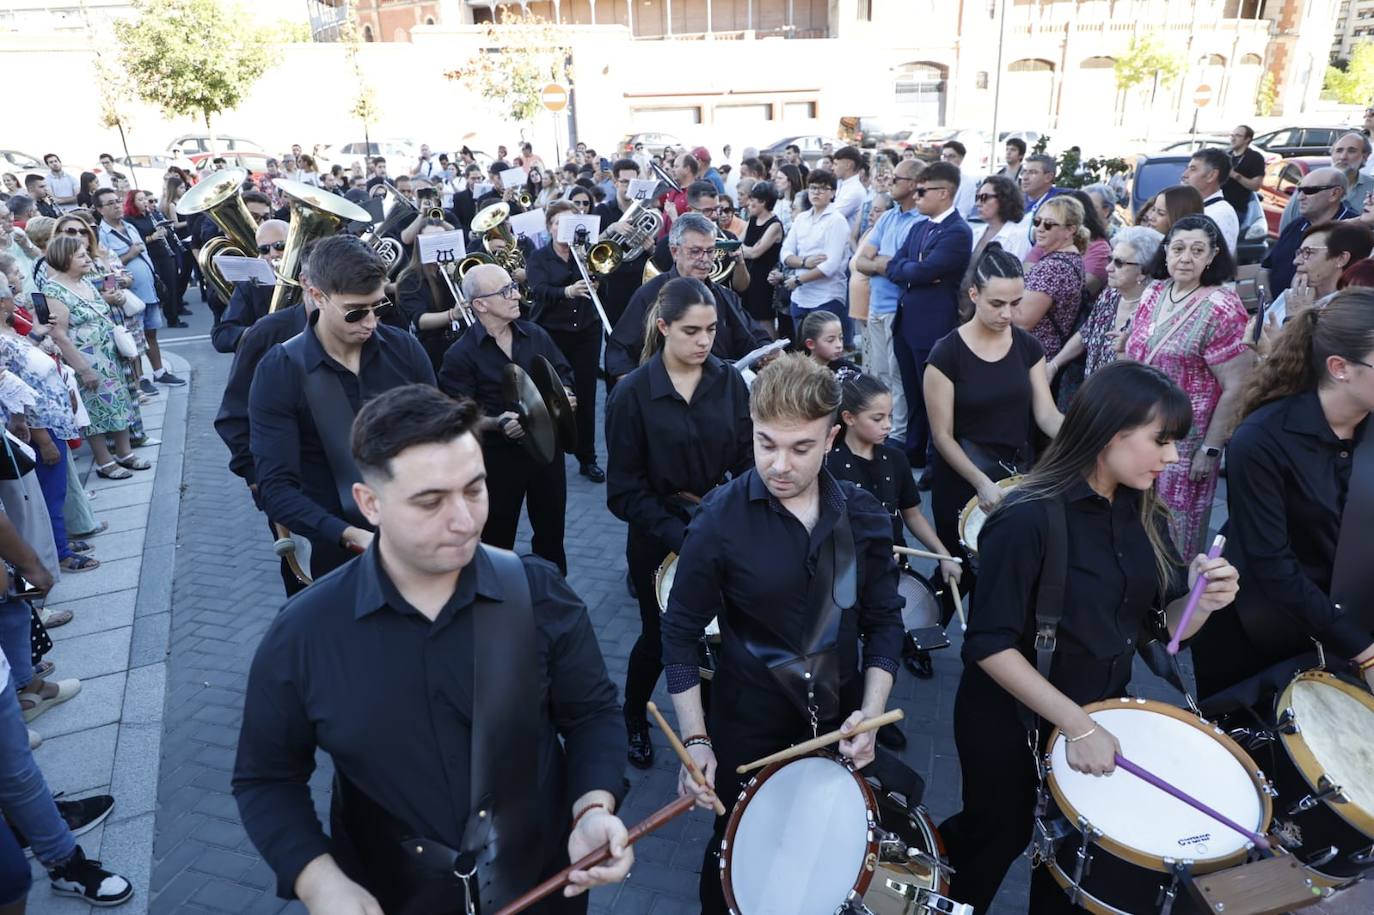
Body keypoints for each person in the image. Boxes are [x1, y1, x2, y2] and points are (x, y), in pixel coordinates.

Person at [234, 383, 632, 915]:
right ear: (369, 503)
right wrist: (318, 879)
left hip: (542, 886)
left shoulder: (539, 594)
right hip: (390, 895)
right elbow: (267, 778)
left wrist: (592, 807)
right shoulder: (303, 634)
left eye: (474, 489)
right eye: (431, 501)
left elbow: (591, 715)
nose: (465, 521)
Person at [939, 360, 1240, 913]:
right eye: (1162, 441)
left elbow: (1163, 629)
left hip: (1096, 714)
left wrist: (1202, 600)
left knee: (1071, 861)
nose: (1173, 457)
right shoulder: (1026, 517)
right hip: (1012, 723)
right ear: (1110, 432)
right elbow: (988, 645)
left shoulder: (1145, 512)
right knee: (994, 842)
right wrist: (1077, 725)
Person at [663, 353, 904, 915]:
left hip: (838, 720)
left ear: (832, 438)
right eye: (766, 443)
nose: (780, 464)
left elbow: (884, 622)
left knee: (817, 859)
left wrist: (870, 712)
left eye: (800, 448)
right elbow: (678, 634)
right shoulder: (719, 520)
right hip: (747, 726)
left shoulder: (863, 516)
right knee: (731, 866)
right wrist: (696, 741)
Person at [1190, 290, 1374, 707]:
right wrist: (1362, 649)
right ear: (1340, 368)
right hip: (1260, 634)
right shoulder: (1262, 439)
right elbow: (1272, 564)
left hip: (1345, 627)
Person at [606, 277, 752, 768]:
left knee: (720, 631)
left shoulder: (729, 382)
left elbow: (747, 457)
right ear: (663, 326)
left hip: (715, 526)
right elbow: (623, 492)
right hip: (658, 533)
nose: (705, 341)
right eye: (692, 331)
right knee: (659, 635)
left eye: (711, 329)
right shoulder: (631, 394)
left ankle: (708, 728)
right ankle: (632, 717)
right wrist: (680, 534)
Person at [250, 235, 436, 581]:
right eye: (355, 312)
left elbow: (438, 444)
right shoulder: (280, 369)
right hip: (332, 554)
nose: (371, 322)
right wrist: (350, 536)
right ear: (317, 295)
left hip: (414, 534)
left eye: (380, 307)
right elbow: (275, 489)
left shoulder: (405, 351)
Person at [925, 245, 1061, 610]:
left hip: (1015, 475)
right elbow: (942, 435)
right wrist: (980, 482)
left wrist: (1088, 437)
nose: (1008, 313)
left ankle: (987, 650)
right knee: (955, 567)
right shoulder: (946, 354)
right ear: (974, 295)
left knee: (1003, 571)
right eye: (997, 303)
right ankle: (920, 634)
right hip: (961, 477)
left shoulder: (1028, 347)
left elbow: (1047, 416)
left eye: (1015, 303)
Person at [1123, 215, 1254, 556]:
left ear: (1212, 256)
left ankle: (1171, 608)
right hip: (1134, 428)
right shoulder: (1154, 291)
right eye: (1178, 248)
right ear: (1165, 251)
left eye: (1198, 250)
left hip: (1183, 443)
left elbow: (1237, 385)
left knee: (1172, 535)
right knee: (1129, 522)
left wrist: (1210, 450)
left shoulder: (1222, 307)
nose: (1186, 258)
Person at [439, 263, 574, 574]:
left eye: (513, 287)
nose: (516, 295)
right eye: (506, 291)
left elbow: (563, 373)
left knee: (552, 534)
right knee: (498, 538)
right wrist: (496, 423)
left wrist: (567, 393)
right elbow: (457, 414)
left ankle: (554, 598)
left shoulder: (536, 335)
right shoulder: (459, 356)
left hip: (546, 453)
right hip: (498, 463)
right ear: (480, 305)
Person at [829, 372, 962, 685]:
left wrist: (943, 556)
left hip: (891, 570)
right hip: (846, 575)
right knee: (846, 654)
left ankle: (882, 711)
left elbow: (913, 516)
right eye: (877, 418)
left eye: (889, 416)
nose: (888, 425)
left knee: (883, 645)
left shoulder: (896, 459)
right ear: (848, 417)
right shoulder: (830, 465)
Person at [39, 236, 149, 480]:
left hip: (109, 356)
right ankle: (104, 461)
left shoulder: (87, 282)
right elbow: (59, 335)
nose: (88, 258)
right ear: (64, 259)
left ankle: (125, 453)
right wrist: (83, 369)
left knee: (119, 401)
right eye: (80, 255)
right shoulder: (54, 290)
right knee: (95, 411)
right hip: (86, 359)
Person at [607, 213, 767, 380]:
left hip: (721, 391)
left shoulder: (725, 295)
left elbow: (755, 335)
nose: (705, 259)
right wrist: (633, 387)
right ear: (675, 252)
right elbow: (620, 350)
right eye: (696, 251)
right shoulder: (649, 294)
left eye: (710, 251)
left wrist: (769, 351)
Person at [887, 161, 973, 468]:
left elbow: (927, 270)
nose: (917, 196)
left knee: (933, 398)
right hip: (907, 323)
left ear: (944, 193)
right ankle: (914, 450)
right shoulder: (919, 227)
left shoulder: (958, 232)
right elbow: (894, 267)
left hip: (933, 325)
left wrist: (913, 270)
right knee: (912, 394)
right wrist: (914, 270)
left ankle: (937, 462)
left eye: (923, 191)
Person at [524, 202, 606, 482]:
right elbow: (538, 289)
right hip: (552, 332)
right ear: (550, 227)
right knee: (553, 394)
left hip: (586, 330)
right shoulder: (539, 257)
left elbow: (600, 281)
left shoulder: (583, 254)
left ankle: (588, 458)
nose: (564, 228)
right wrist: (567, 291)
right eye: (559, 222)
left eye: (571, 223)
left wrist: (593, 279)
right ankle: (551, 453)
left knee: (585, 394)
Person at [852, 159, 925, 446]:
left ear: (914, 184)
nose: (889, 182)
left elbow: (909, 268)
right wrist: (889, 264)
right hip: (876, 307)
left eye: (896, 178)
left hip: (900, 310)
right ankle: (881, 431)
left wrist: (884, 264)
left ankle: (897, 435)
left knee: (898, 377)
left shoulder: (921, 222)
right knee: (879, 375)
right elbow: (861, 261)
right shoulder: (888, 218)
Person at [93, 188, 184, 391]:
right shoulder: (101, 235)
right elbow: (106, 268)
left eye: (118, 201)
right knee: (134, 339)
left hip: (147, 290)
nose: (117, 205)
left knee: (151, 333)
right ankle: (140, 379)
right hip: (128, 297)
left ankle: (159, 372)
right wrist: (130, 254)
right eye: (110, 203)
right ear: (99, 209)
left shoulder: (130, 226)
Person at [1050, 225, 1164, 385]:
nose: (1108, 268)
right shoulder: (1110, 294)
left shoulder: (1157, 310)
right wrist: (1054, 365)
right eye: (1110, 259)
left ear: (1143, 271)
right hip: (1090, 391)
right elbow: (1085, 333)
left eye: (1119, 263)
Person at [776, 169, 853, 344]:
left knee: (827, 353)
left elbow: (830, 266)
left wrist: (799, 279)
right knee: (804, 352)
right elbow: (785, 253)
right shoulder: (802, 218)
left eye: (822, 188)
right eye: (812, 188)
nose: (816, 192)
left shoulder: (836, 220)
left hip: (827, 297)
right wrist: (804, 262)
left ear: (833, 192)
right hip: (800, 298)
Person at [1015, 194, 1087, 363]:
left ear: (1070, 230)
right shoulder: (1070, 259)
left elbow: (1023, 321)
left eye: (1048, 224)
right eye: (1037, 221)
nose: (1039, 228)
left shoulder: (1053, 267)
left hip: (1029, 357)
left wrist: (991, 300)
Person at [1263, 167, 1356, 296]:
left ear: (1335, 193)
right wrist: (1267, 302)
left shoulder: (1354, 231)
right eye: (1299, 190)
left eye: (1309, 191)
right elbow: (1266, 269)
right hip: (1278, 309)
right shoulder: (1294, 226)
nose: (1300, 197)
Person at [1266, 220, 1374, 328]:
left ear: (1341, 259)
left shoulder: (1348, 311)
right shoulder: (1293, 296)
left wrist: (1295, 318)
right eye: (1300, 252)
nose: (1296, 261)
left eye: (1308, 252)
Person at [211, 218, 288, 353]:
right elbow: (221, 336)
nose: (273, 254)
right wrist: (261, 332)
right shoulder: (251, 285)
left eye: (280, 245)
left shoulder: (312, 278)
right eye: (264, 249)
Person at [1279, 131, 1374, 234]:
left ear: (1365, 156)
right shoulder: (1309, 186)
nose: (1343, 157)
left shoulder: (1371, 187)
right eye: (1338, 151)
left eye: (1351, 151)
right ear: (1332, 154)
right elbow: (1286, 230)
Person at [124, 189, 183, 329]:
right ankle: (155, 317)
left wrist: (165, 231)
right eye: (140, 200)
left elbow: (167, 229)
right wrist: (152, 237)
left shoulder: (154, 214)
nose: (145, 202)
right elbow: (134, 242)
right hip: (149, 256)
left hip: (164, 254)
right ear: (133, 203)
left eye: (145, 199)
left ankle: (173, 317)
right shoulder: (129, 220)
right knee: (157, 286)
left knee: (171, 284)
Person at [739, 181, 783, 336]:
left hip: (764, 280)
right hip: (747, 276)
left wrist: (743, 250)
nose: (749, 203)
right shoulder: (752, 220)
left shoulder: (774, 225)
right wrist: (744, 249)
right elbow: (738, 244)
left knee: (765, 321)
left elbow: (755, 252)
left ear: (764, 202)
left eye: (753, 200)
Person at [1181, 148, 1239, 257]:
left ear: (1211, 175)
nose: (1184, 175)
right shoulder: (1208, 209)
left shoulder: (1218, 215)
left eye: (1193, 169)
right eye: (1187, 168)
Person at [969, 174, 1029, 261]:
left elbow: (1015, 272)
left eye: (984, 197)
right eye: (977, 197)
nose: (978, 203)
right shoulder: (975, 233)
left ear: (1004, 199)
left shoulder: (1018, 238)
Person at [1223, 124, 1266, 223]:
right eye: (1232, 135)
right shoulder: (1226, 155)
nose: (1233, 139)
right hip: (1220, 206)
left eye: (1237, 136)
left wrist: (1235, 175)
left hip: (1237, 210)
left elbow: (1256, 186)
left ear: (1247, 139)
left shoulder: (1255, 157)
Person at [798, 309, 859, 378]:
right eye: (830, 340)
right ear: (810, 344)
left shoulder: (848, 369)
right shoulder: (799, 375)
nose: (839, 345)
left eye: (841, 338)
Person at [1019, 154, 1061, 241]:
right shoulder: (1014, 202)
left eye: (1032, 172)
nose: (1025, 177)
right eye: (1024, 172)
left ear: (1048, 177)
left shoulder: (1060, 202)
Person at [831, 146, 867, 232]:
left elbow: (832, 217)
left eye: (836, 164)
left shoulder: (855, 190)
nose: (832, 168)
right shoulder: (842, 183)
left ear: (848, 165)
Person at [939, 140, 977, 216]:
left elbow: (963, 213)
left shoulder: (967, 183)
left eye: (951, 156)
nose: (946, 160)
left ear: (961, 158)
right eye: (944, 156)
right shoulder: (934, 179)